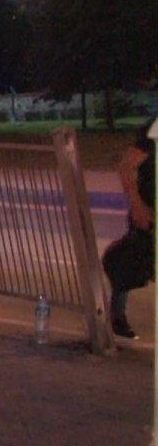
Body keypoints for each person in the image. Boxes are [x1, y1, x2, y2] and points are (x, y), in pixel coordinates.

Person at [101, 117, 157, 339]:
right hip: (148, 213)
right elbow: (127, 167)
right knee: (131, 261)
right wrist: (137, 206)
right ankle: (117, 315)